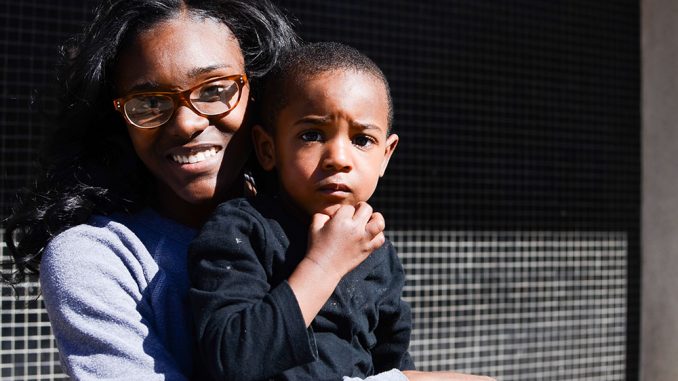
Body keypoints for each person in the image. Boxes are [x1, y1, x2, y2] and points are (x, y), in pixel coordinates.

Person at [2, 0, 494, 380]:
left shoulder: (337, 231)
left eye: (215, 90)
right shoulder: (97, 258)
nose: (187, 123)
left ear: (261, 102)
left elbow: (389, 349)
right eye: (149, 101)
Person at [187, 42, 495, 381]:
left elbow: (392, 359)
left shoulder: (375, 250)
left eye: (362, 140)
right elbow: (232, 359)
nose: (339, 158)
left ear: (385, 156)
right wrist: (325, 264)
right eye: (313, 134)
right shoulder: (242, 229)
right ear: (268, 148)